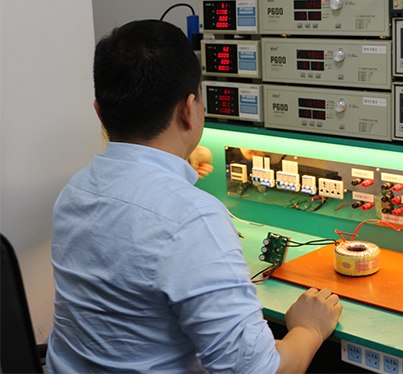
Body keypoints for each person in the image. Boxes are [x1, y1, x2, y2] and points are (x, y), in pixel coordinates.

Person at [46, 19, 342, 373]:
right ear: (189, 110)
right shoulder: (192, 217)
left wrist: (181, 156)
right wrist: (309, 328)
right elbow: (258, 371)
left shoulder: (74, 191)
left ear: (100, 112)